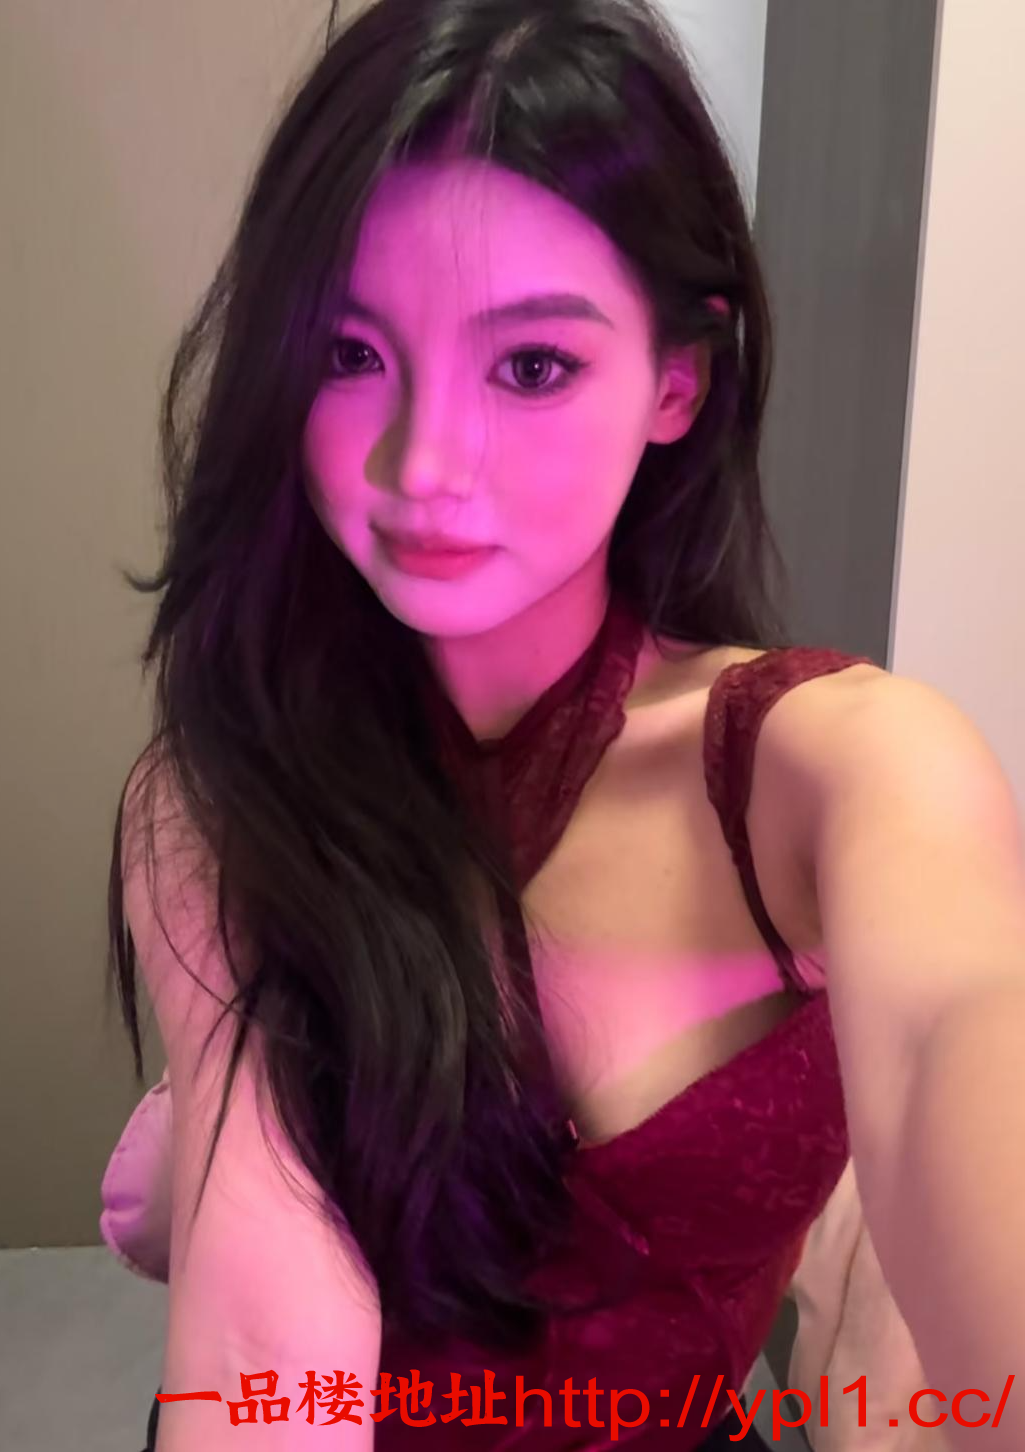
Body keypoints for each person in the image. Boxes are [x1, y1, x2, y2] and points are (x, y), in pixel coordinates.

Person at [104, 2, 1025, 1449]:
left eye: (531, 366)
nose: (423, 464)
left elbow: (959, 1039)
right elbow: (265, 1334)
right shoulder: (223, 794)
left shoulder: (833, 768)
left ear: (678, 382)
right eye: (349, 354)